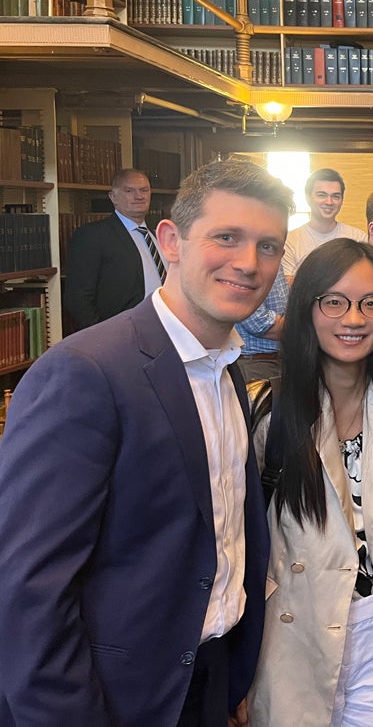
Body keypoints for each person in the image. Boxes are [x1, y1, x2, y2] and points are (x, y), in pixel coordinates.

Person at [0, 158, 292, 726]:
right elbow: (28, 591)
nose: (248, 263)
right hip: (114, 697)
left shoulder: (226, 368)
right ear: (171, 241)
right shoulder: (85, 373)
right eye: (226, 237)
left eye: (268, 246)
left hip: (207, 678)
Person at [247, 238, 373, 726]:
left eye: (371, 303)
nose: (353, 319)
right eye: (334, 301)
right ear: (307, 307)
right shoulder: (268, 411)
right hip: (292, 630)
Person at [64, 167, 165, 328]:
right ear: (113, 197)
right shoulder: (93, 236)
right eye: (129, 191)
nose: (139, 196)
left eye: (144, 190)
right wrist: (102, 335)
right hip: (122, 333)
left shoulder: (159, 236)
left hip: (165, 329)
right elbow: (78, 298)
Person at [283, 168, 367, 280]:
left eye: (335, 196)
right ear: (308, 198)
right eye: (321, 195)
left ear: (342, 200)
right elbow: (288, 286)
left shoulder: (358, 238)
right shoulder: (290, 241)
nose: (329, 202)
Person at [235, 267, 288, 383]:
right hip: (255, 364)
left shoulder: (275, 262)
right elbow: (259, 324)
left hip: (277, 360)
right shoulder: (247, 265)